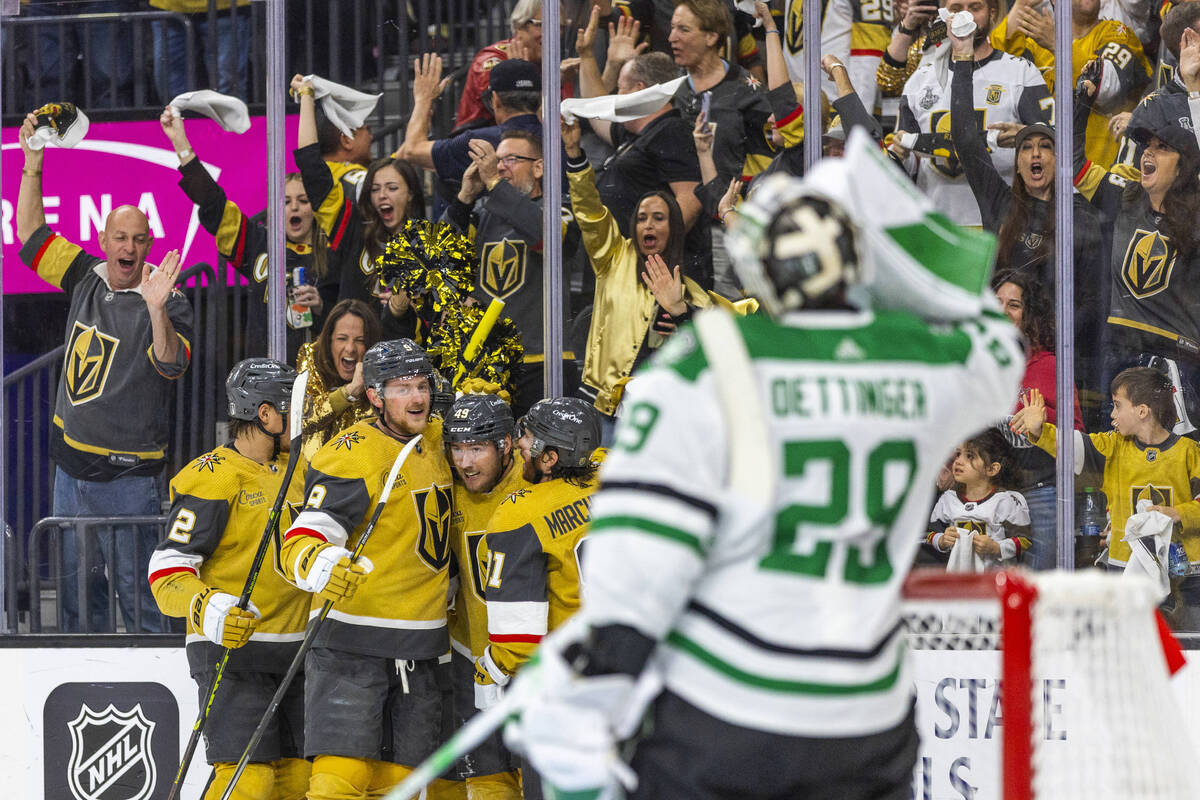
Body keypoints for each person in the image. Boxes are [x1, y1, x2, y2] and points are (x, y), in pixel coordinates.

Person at [504, 172, 1025, 799]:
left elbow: (637, 565)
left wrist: (596, 675)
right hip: (867, 720)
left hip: (730, 712)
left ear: (758, 268)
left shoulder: (705, 365)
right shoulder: (919, 364)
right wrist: (882, 203)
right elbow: (995, 342)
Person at [16, 110, 194, 633]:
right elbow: (29, 234)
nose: (129, 248)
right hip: (69, 472)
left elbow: (171, 364)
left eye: (138, 239)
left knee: (142, 604)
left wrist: (157, 308)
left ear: (147, 242)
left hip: (128, 479)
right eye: (120, 238)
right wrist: (33, 164)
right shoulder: (85, 277)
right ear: (104, 237)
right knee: (75, 605)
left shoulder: (168, 296)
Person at [280, 339, 454, 798]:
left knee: (401, 786)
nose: (417, 398)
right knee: (341, 781)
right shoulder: (351, 452)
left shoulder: (439, 440)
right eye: (401, 388)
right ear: (374, 396)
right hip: (351, 642)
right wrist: (320, 564)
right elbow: (302, 538)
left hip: (421, 644)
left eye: (422, 386)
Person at [148, 359, 310, 800]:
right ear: (265, 413)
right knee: (249, 783)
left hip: (298, 654)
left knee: (299, 784)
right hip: (232, 654)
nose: (302, 415)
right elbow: (167, 572)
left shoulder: (299, 473)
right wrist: (209, 606)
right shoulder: (212, 477)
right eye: (292, 406)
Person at [1011, 372, 1200, 626]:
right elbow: (1074, 446)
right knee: (1131, 648)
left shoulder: (1189, 452)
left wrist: (1177, 513)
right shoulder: (1113, 447)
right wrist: (1040, 431)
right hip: (1125, 570)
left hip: (1184, 575)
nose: (1112, 414)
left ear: (1142, 410)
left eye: (1118, 405)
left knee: (1187, 649)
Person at [561, 119, 714, 428]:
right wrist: (575, 154)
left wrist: (679, 309)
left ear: (674, 227)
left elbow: (711, 349)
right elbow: (590, 212)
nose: (648, 225)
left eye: (659, 218)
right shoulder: (613, 256)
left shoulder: (691, 290)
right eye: (642, 217)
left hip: (658, 417)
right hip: (600, 408)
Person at [160, 106, 339, 361]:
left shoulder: (334, 253)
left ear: (316, 207)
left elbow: (353, 315)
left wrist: (321, 307)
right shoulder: (258, 244)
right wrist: (180, 142)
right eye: (286, 201)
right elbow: (214, 203)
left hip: (319, 379)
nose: (295, 207)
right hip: (265, 377)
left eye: (303, 200)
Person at [1073, 69, 1200, 427]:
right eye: (1147, 145)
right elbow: (1073, 163)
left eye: (1163, 147)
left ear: (1185, 165)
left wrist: (1192, 90)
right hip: (1119, 353)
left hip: (1181, 361)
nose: (1149, 153)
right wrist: (1082, 99)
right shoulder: (1124, 198)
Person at [444, 131, 583, 416]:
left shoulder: (560, 209)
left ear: (539, 167)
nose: (500, 166)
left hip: (542, 361)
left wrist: (494, 183)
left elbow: (546, 239)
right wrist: (465, 197)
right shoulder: (483, 214)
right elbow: (441, 258)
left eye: (510, 159)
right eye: (496, 160)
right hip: (487, 364)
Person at [473, 397, 601, 701]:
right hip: (633, 655)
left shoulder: (520, 515)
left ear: (549, 459)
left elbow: (520, 636)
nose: (519, 444)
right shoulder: (618, 474)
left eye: (528, 437)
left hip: (570, 674)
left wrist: (493, 668)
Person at [894, 0, 1052, 226]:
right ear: (944, 15)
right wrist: (899, 153)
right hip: (937, 227)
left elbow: (1052, 144)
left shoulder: (1021, 73)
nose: (965, 17)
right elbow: (907, 164)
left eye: (975, 7)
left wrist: (1027, 135)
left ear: (992, 13)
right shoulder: (919, 81)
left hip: (1004, 227)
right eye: (957, 9)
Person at [443, 394, 531, 798]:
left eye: (476, 449)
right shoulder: (449, 491)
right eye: (457, 449)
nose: (465, 462)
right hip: (473, 659)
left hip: (532, 663)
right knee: (487, 783)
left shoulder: (537, 485)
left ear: (506, 445)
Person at [292, 74, 425, 304]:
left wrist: (424, 105)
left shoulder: (426, 242)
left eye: (392, 187)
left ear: (410, 193)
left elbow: (405, 156)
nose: (383, 194)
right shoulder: (353, 228)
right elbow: (310, 163)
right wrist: (306, 98)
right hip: (356, 333)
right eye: (374, 189)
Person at [989, 0, 1151, 173]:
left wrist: (1058, 46)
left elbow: (1106, 88)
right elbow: (994, 67)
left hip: (1100, 180)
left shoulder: (1117, 33)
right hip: (1050, 176)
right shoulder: (1038, 44)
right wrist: (1022, 4)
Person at [995, 272, 1084, 569]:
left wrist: (1041, 425)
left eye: (1014, 305)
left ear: (1029, 315)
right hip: (992, 493)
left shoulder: (1049, 365)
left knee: (1041, 585)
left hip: (1040, 490)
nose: (1003, 312)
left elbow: (1077, 434)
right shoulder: (979, 363)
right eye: (996, 303)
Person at [399, 56, 543, 199]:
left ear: (495, 100)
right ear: (540, 98)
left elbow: (412, 151)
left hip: (498, 221)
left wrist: (423, 99)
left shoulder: (476, 142)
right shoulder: (560, 137)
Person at [926, 430, 1033, 569]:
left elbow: (1024, 541)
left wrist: (996, 547)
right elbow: (930, 534)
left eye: (969, 456)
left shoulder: (1007, 501)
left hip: (995, 581)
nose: (958, 461)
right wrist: (941, 540)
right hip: (959, 582)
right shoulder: (947, 499)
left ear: (992, 469)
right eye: (958, 454)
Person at [295, 299, 382, 463]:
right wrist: (350, 392)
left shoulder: (381, 369)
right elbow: (305, 418)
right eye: (342, 338)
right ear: (329, 340)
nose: (350, 348)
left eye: (360, 341)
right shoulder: (312, 357)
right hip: (314, 474)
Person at [454, 0, 547, 133]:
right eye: (542, 25)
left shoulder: (551, 63)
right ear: (519, 27)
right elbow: (512, 113)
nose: (554, 33)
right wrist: (519, 73)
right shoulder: (492, 59)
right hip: (480, 140)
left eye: (561, 27)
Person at [150, 0, 252, 102]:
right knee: (170, 86)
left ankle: (228, 117)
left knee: (228, 85)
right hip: (168, 8)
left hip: (225, 8)